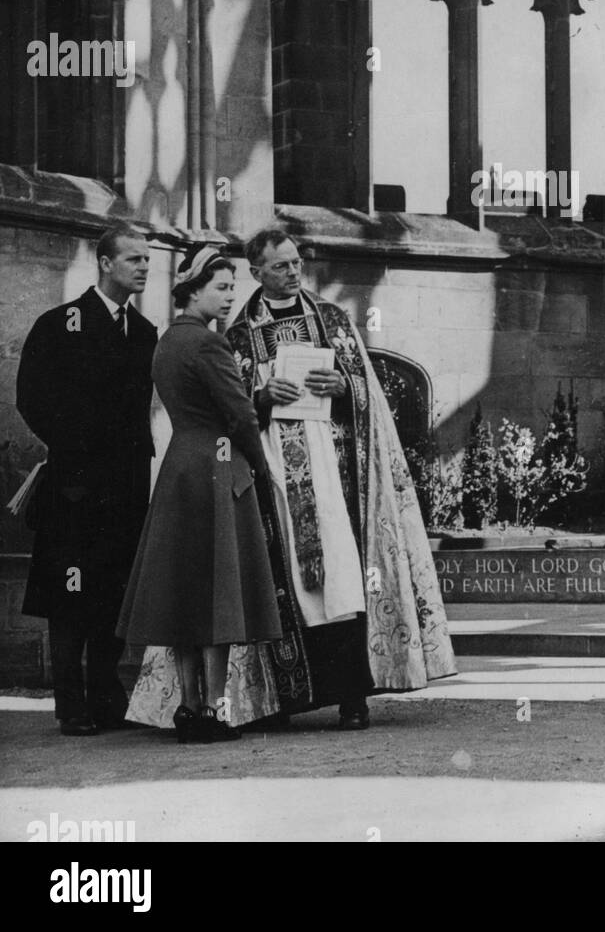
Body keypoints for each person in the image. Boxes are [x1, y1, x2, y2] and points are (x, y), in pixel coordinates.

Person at [223, 228, 455, 729]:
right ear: (255, 272)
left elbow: (366, 393)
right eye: (279, 266)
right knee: (286, 583)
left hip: (337, 474)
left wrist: (343, 385)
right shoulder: (239, 334)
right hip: (275, 477)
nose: (292, 272)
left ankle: (352, 696)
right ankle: (285, 699)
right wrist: (261, 397)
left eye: (295, 262)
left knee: (346, 580)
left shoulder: (330, 319)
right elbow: (230, 408)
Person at [117, 246, 282, 743]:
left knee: (186, 594)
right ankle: (213, 709)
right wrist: (262, 463)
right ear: (193, 289)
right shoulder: (211, 345)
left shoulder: (168, 340)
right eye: (221, 288)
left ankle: (189, 706)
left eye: (233, 288)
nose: (230, 297)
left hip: (180, 466)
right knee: (217, 595)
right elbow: (241, 415)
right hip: (217, 464)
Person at [17, 225, 156, 736]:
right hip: (75, 486)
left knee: (114, 591)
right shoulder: (61, 323)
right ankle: (71, 703)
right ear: (104, 263)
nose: (143, 267)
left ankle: (104, 694)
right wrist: (78, 451)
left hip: (126, 488)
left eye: (147, 260)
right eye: (133, 259)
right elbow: (31, 398)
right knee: (69, 594)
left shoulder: (144, 333)